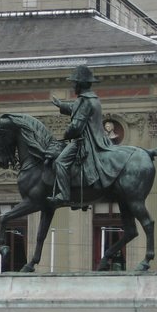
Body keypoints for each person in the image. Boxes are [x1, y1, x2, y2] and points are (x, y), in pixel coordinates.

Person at [47, 65, 117, 206]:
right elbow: (76, 109)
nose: (73, 86)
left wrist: (66, 134)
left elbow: (76, 126)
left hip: (86, 141)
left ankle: (64, 195)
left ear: (80, 84)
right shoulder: (93, 99)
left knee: (60, 162)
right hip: (99, 138)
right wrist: (61, 105)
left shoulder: (83, 100)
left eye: (75, 83)